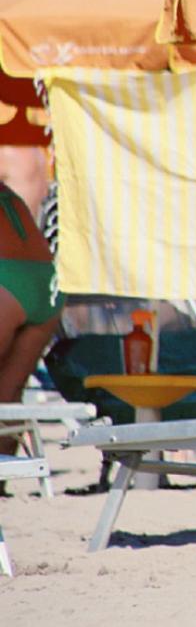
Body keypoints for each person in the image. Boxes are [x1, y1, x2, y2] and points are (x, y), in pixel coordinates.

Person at [0, 180, 59, 456]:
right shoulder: (7, 191)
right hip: (46, 284)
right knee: (9, 394)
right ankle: (3, 477)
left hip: (5, 279)